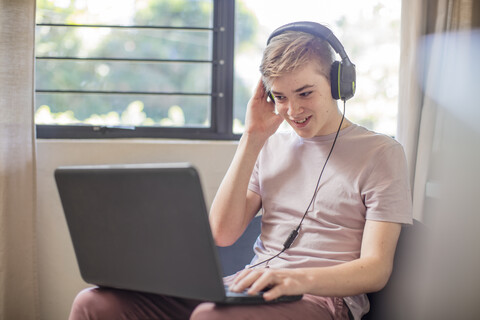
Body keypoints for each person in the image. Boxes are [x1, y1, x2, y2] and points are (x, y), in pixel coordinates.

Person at [69, 22, 412, 320]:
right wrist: (252, 138)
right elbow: (222, 233)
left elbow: (376, 269)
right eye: (279, 96)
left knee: (211, 316)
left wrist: (297, 279)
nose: (292, 110)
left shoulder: (381, 153)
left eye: (305, 93)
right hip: (249, 285)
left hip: (320, 300)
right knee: (96, 304)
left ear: (338, 84)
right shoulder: (270, 147)